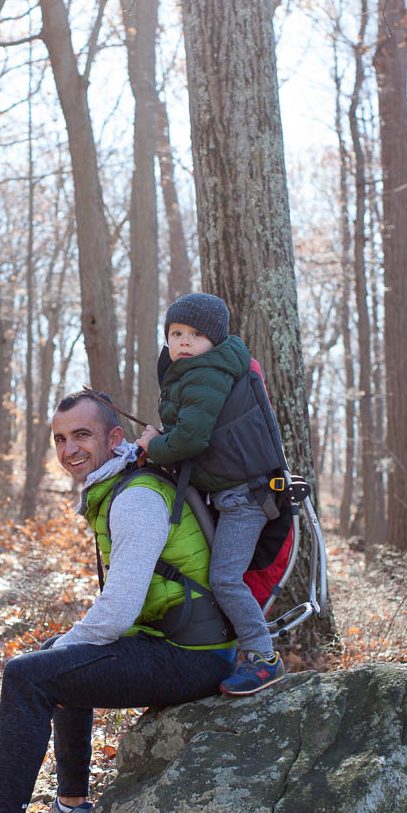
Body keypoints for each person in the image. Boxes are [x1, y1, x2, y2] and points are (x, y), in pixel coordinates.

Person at [0, 389, 234, 813]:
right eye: (61, 439)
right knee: (52, 659)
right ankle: (70, 804)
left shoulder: (136, 497)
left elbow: (120, 608)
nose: (70, 450)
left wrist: (66, 647)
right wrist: (65, 646)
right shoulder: (119, 486)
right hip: (177, 642)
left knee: (29, 675)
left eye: (82, 435)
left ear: (115, 437)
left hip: (193, 655)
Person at [137, 292, 285, 699]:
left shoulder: (206, 374)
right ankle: (240, 654)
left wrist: (154, 446)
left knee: (223, 578)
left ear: (214, 340)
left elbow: (191, 437)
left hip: (244, 499)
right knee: (217, 576)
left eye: (196, 334)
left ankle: (264, 658)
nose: (184, 342)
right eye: (176, 333)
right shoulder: (198, 370)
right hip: (229, 496)